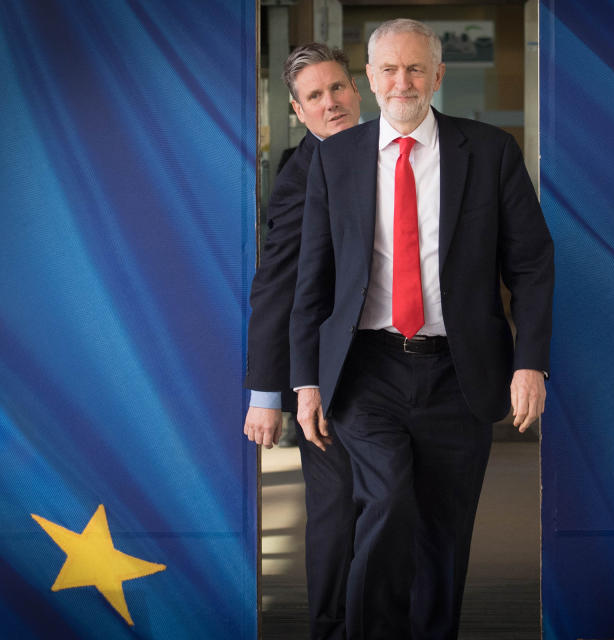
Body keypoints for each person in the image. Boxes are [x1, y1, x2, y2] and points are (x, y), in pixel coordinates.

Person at [290, 19, 554, 640]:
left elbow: (534, 264)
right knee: (385, 504)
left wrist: (530, 362)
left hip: (460, 371)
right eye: (388, 69)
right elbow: (313, 282)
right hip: (366, 370)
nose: (401, 81)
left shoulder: (489, 151)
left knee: (445, 530)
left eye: (415, 68)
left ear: (438, 76)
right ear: (370, 79)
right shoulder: (336, 160)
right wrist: (304, 383)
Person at [243, 43, 362, 640]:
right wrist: (267, 392)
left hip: (401, 365)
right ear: (296, 109)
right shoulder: (300, 174)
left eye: (337, 88)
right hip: (329, 377)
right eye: (314, 96)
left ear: (356, 89)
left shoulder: (390, 152)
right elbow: (276, 285)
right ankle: (331, 630)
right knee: (336, 513)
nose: (330, 103)